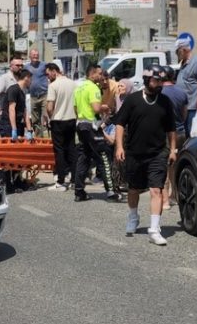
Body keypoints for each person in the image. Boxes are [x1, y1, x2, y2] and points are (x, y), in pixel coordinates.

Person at [114, 65, 177, 246]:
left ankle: (154, 229)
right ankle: (133, 216)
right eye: (155, 81)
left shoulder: (165, 102)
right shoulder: (133, 100)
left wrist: (172, 149)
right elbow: (120, 124)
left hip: (157, 153)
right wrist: (120, 147)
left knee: (156, 189)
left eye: (161, 81)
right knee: (134, 189)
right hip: (134, 153)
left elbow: (171, 128)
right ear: (147, 80)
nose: (159, 85)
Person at [74, 64, 119, 203]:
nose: (101, 76)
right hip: (91, 126)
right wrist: (105, 107)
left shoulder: (79, 87)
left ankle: (79, 191)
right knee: (104, 156)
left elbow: (75, 108)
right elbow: (96, 108)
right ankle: (111, 192)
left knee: (84, 157)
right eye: (99, 73)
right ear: (92, 74)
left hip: (81, 124)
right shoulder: (93, 88)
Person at [0, 68, 34, 193]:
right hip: (8, 124)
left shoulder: (22, 92)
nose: (31, 82)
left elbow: (24, 112)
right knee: (8, 154)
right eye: (31, 79)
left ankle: (17, 181)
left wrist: (29, 129)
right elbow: (11, 109)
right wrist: (13, 129)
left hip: (17, 125)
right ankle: (6, 183)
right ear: (26, 78)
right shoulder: (13, 89)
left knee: (18, 155)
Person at [159, 65, 189, 209]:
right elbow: (184, 115)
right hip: (180, 132)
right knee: (176, 166)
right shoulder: (182, 93)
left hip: (163, 134)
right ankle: (175, 196)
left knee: (163, 166)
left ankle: (165, 201)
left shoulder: (158, 93)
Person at [44, 62, 77, 191]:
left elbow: (49, 106)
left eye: (48, 74)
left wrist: (49, 116)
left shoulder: (53, 85)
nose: (48, 77)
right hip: (71, 119)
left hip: (58, 120)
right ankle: (74, 179)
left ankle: (61, 181)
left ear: (54, 71)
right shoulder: (73, 83)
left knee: (59, 151)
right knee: (71, 149)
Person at [175, 37, 197, 136]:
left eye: (177, 51)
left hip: (192, 105)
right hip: (184, 105)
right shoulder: (184, 62)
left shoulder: (196, 61)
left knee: (191, 131)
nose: (176, 54)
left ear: (184, 50)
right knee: (185, 130)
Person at [24, 48, 50, 138]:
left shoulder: (44, 65)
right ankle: (39, 138)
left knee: (45, 117)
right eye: (34, 54)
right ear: (30, 56)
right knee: (35, 119)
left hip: (44, 95)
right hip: (33, 96)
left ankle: (48, 137)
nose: (36, 56)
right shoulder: (26, 67)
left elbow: (50, 74)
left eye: (37, 54)